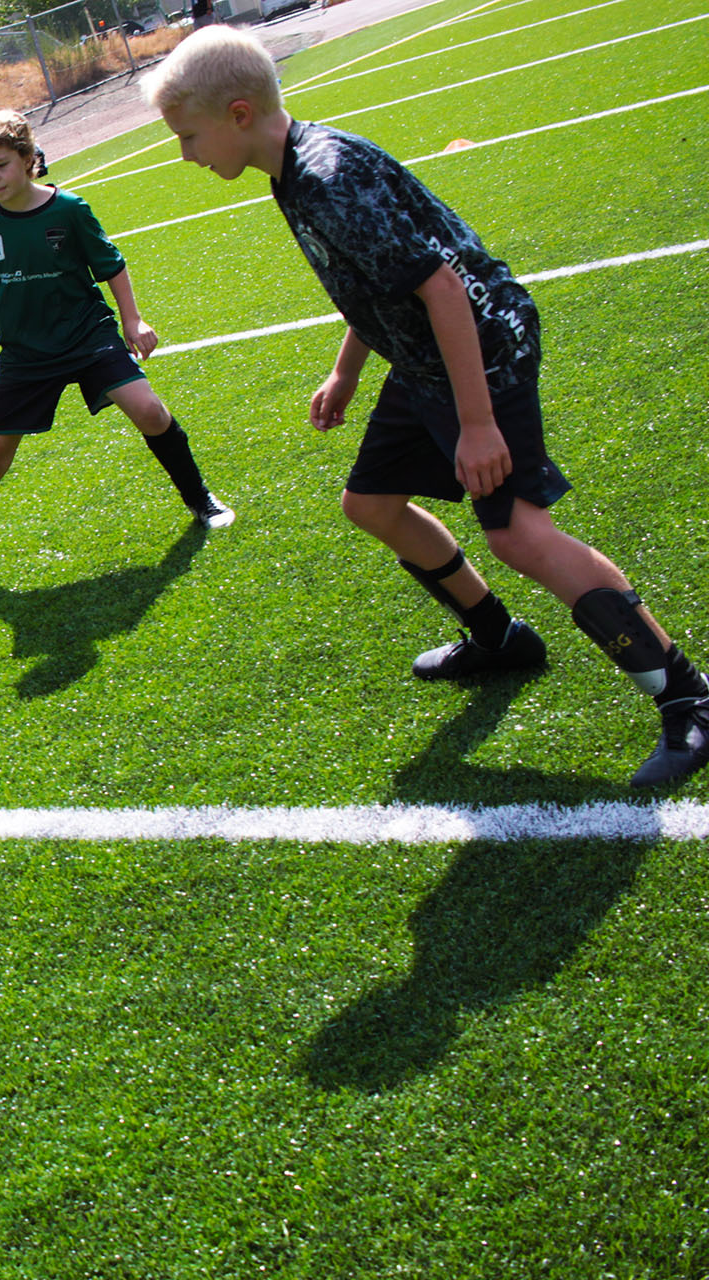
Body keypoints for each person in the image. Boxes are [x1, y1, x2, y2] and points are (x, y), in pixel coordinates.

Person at [144, 27, 709, 786]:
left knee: (518, 535)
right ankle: (499, 637)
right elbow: (378, 282)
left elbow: (441, 287)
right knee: (371, 502)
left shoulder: (326, 178)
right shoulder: (292, 165)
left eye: (188, 136)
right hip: (424, 359)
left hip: (481, 347)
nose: (186, 153)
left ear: (238, 114)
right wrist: (346, 371)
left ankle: (687, 698)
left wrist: (477, 425)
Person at [0, 108, 234, 604]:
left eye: (0, 165)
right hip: (24, 352)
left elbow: (112, 265)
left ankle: (202, 500)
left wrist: (133, 321)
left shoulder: (69, 209)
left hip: (87, 336)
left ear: (27, 160)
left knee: (149, 411)